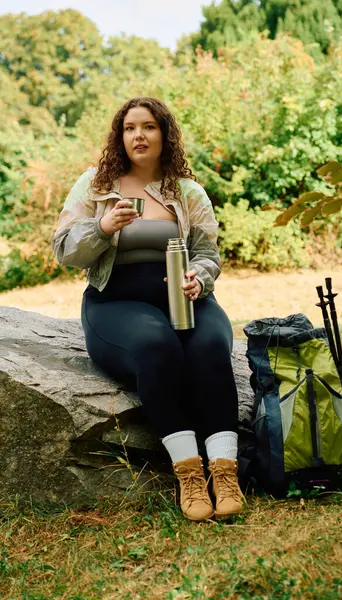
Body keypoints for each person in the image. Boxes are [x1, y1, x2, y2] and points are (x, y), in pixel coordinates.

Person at [52, 96, 245, 522]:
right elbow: (64, 250)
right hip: (115, 302)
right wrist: (103, 228)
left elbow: (208, 254)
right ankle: (189, 475)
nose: (139, 135)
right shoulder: (95, 185)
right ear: (120, 137)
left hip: (187, 298)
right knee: (157, 345)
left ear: (165, 135)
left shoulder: (187, 191)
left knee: (211, 345)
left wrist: (199, 277)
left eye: (149, 127)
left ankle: (225, 472)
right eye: (130, 128)